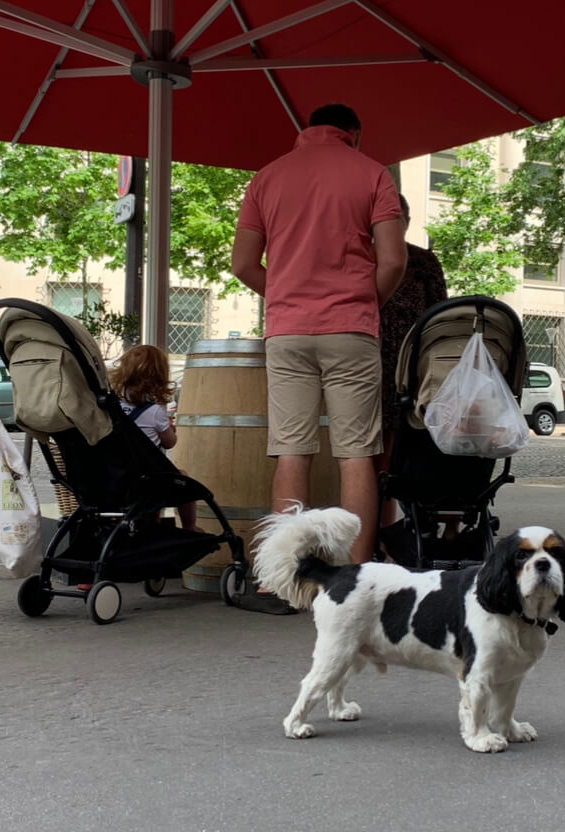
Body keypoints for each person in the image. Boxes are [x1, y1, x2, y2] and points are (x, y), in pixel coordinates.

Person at [231, 102, 406, 610]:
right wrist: (362, 302)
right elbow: (394, 259)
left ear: (304, 131)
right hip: (352, 328)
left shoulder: (267, 178)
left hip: (287, 330)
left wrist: (286, 295)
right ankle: (351, 585)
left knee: (291, 449)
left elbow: (243, 263)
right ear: (353, 133)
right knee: (356, 452)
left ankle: (282, 584)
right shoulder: (373, 173)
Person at [375, 194, 448, 528]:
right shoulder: (359, 258)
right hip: (367, 361)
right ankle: (380, 530)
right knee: (373, 454)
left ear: (406, 221)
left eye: (400, 218)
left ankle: (397, 530)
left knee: (404, 450)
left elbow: (441, 316)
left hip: (413, 368)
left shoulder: (423, 262)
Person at [108, 344, 199, 533]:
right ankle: (190, 526)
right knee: (181, 477)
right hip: (145, 479)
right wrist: (169, 429)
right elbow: (170, 442)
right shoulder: (155, 412)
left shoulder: (111, 407)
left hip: (113, 475)